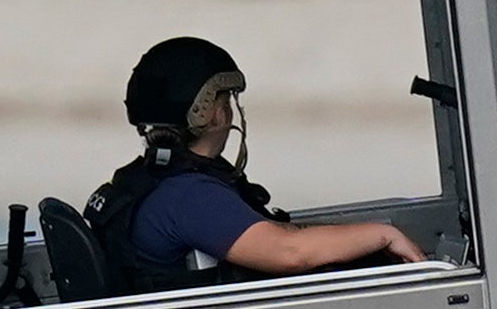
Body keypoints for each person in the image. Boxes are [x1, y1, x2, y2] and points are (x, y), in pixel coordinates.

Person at [84, 35, 429, 293]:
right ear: (215, 113)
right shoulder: (189, 197)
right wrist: (384, 235)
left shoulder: (152, 178)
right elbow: (289, 251)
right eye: (226, 99)